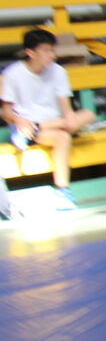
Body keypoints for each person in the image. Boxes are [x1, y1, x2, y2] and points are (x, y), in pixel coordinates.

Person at [1, 28, 96, 208]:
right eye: (46, 51)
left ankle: (41, 126)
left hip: (49, 123)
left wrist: (70, 119)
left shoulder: (58, 71)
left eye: (52, 50)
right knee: (63, 137)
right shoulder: (12, 74)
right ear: (30, 52)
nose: (52, 55)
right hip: (26, 127)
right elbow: (6, 113)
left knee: (88, 114)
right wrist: (19, 120)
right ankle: (63, 191)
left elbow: (66, 109)